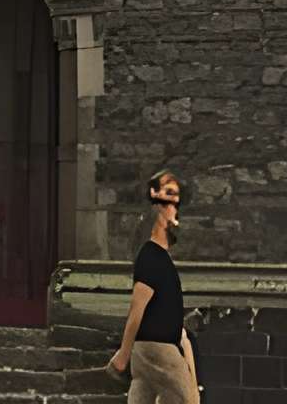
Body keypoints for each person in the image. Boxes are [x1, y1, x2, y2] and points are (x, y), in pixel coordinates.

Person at [108, 169, 198, 404]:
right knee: (187, 400)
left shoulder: (161, 258)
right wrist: (123, 354)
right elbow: (137, 311)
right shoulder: (151, 257)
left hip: (151, 350)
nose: (173, 204)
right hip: (157, 350)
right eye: (168, 195)